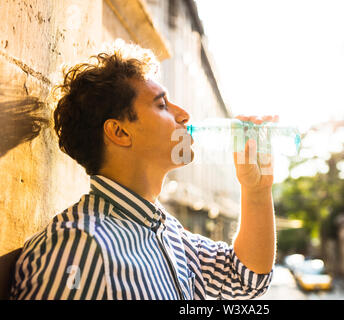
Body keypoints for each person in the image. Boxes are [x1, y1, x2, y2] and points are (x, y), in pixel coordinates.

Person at [9, 42, 276, 300]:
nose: (184, 115)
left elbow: (246, 279)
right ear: (120, 132)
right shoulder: (78, 245)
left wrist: (257, 190)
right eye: (162, 105)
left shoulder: (166, 230)